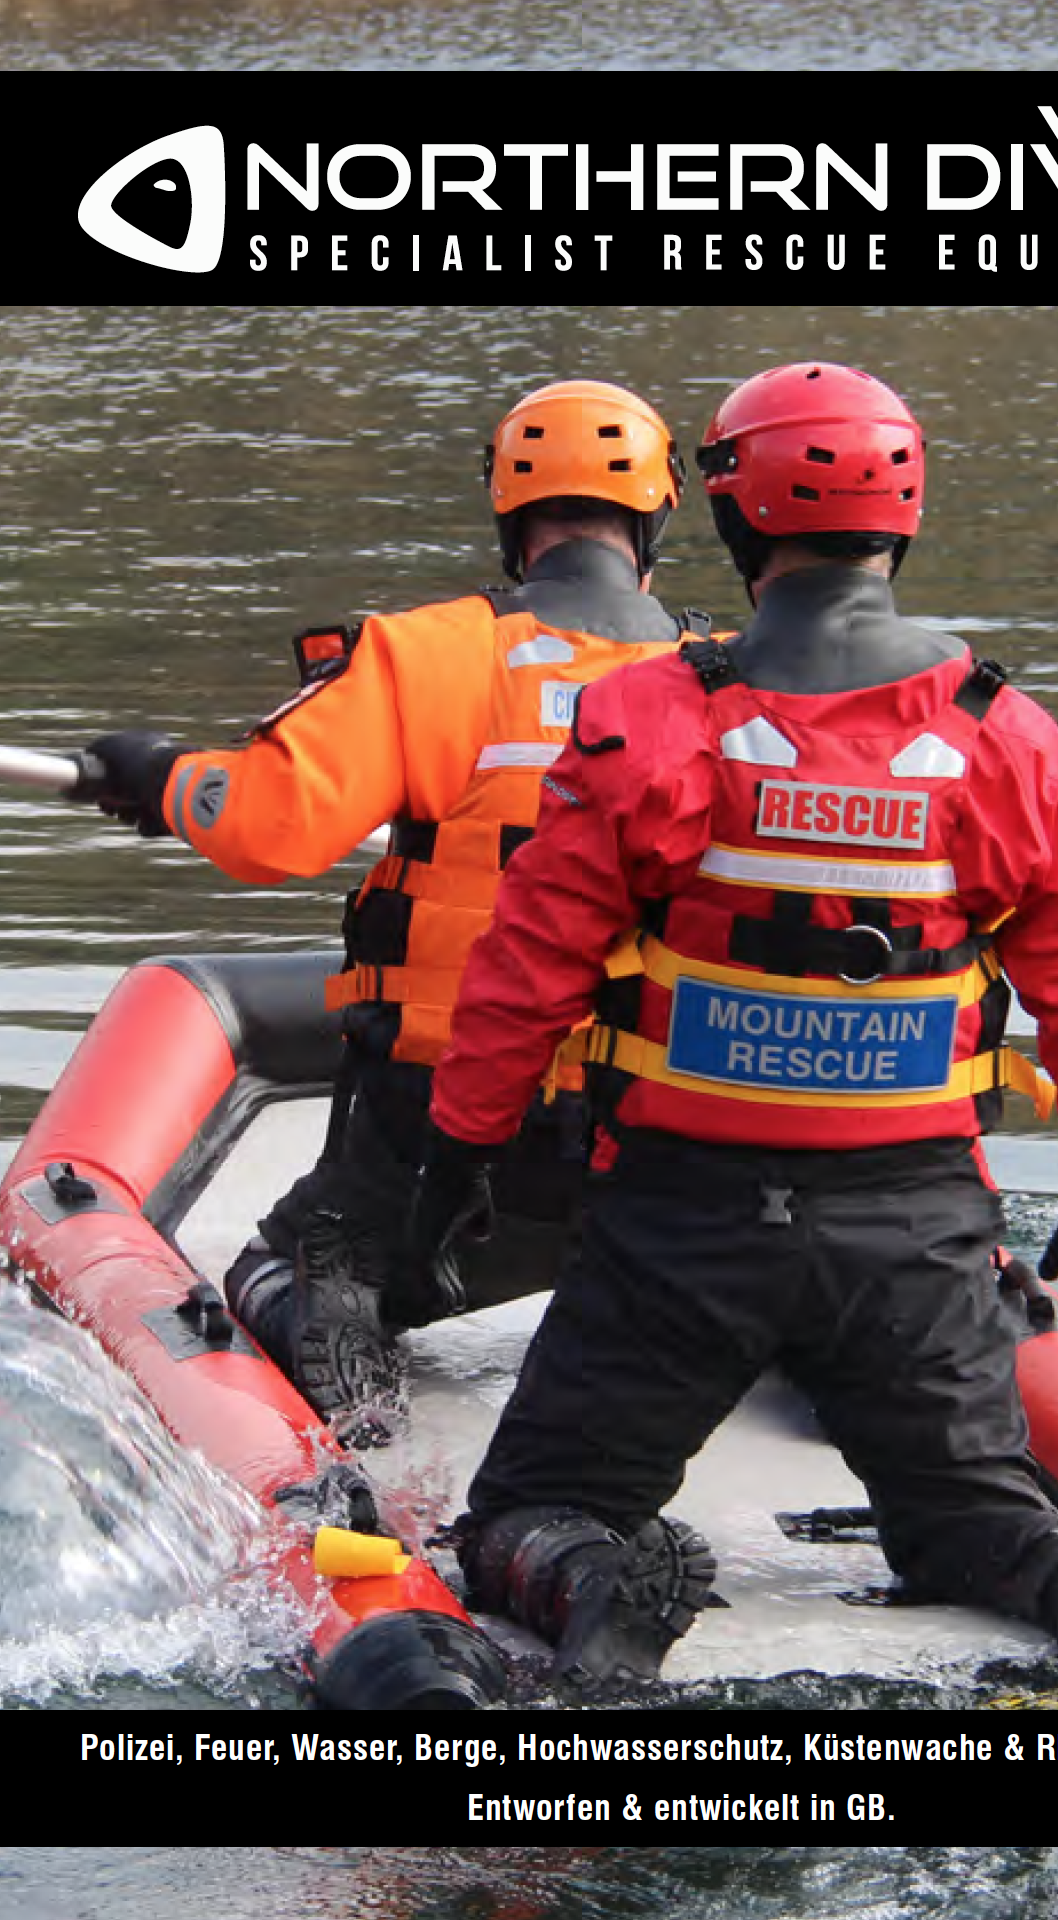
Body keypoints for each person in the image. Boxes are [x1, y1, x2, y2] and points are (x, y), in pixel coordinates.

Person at [406, 359, 1058, 1691]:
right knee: (970, 1516)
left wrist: (456, 1157)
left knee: (532, 1515)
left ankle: (604, 1577)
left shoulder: (648, 720)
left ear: (729, 519)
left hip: (681, 1225)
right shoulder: (1011, 741)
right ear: (907, 517)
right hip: (916, 1240)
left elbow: (524, 968)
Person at [77, 378, 699, 1418]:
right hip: (660, 1131)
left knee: (286, 1262)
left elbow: (267, 827)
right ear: (658, 515)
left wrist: (161, 776)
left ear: (512, 516)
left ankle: (334, 1316)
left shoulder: (430, 655)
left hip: (441, 1123)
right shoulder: (725, 679)